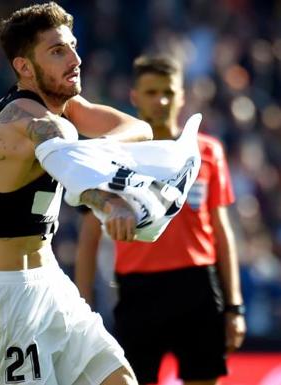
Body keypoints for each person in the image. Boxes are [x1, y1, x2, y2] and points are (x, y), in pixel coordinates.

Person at [0, 3, 155, 385]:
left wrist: (94, 150)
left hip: (52, 285)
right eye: (57, 51)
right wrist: (109, 203)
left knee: (122, 381)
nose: (75, 59)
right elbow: (69, 169)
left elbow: (138, 128)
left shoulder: (65, 108)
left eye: (73, 46)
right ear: (24, 67)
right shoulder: (26, 122)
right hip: (8, 302)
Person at [75, 55, 246, 385]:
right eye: (151, 92)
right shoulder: (113, 154)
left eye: (168, 91)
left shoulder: (207, 151)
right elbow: (89, 238)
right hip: (138, 290)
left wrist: (234, 306)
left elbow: (221, 232)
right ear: (134, 97)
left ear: (182, 95)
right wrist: (84, 311)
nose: (161, 100)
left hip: (197, 285)